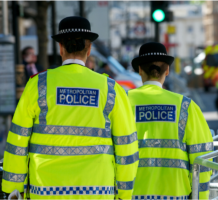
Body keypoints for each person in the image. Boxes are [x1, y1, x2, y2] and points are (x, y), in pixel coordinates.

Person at [2, 16, 139, 200]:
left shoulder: (38, 85)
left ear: (60, 48)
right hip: (98, 191)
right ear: (89, 48)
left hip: (45, 191)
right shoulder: (111, 89)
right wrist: (124, 193)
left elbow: (18, 141)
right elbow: (126, 146)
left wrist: (13, 188)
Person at [128, 42, 213, 199]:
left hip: (132, 194)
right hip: (176, 194)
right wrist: (200, 196)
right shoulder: (186, 106)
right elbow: (202, 156)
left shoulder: (123, 102)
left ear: (139, 70)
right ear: (167, 70)